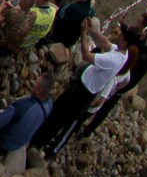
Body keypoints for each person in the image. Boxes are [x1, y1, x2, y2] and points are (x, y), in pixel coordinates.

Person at [32, 21, 127, 157]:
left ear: (125, 40)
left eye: (123, 34)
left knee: (63, 120)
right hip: (80, 86)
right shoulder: (121, 52)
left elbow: (86, 55)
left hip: (84, 93)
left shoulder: (113, 59)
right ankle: (39, 133)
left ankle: (43, 145)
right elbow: (105, 42)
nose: (120, 34)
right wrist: (90, 30)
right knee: (57, 110)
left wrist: (83, 34)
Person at [0, 73, 54, 176]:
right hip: (20, 142)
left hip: (3, 142)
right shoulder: (48, 106)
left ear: (39, 91)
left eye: (36, 83)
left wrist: (0, 112)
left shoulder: (23, 106)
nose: (33, 83)